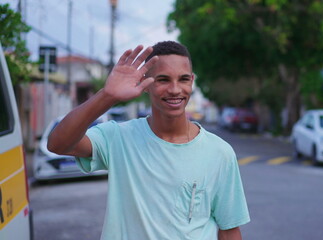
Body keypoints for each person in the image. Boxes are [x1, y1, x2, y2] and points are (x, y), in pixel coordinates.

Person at [47, 41, 250, 240]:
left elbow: (229, 230)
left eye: (183, 79)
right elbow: (58, 144)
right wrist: (107, 96)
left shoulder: (220, 152)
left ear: (192, 81)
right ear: (146, 83)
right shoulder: (118, 138)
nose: (175, 89)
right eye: (163, 80)